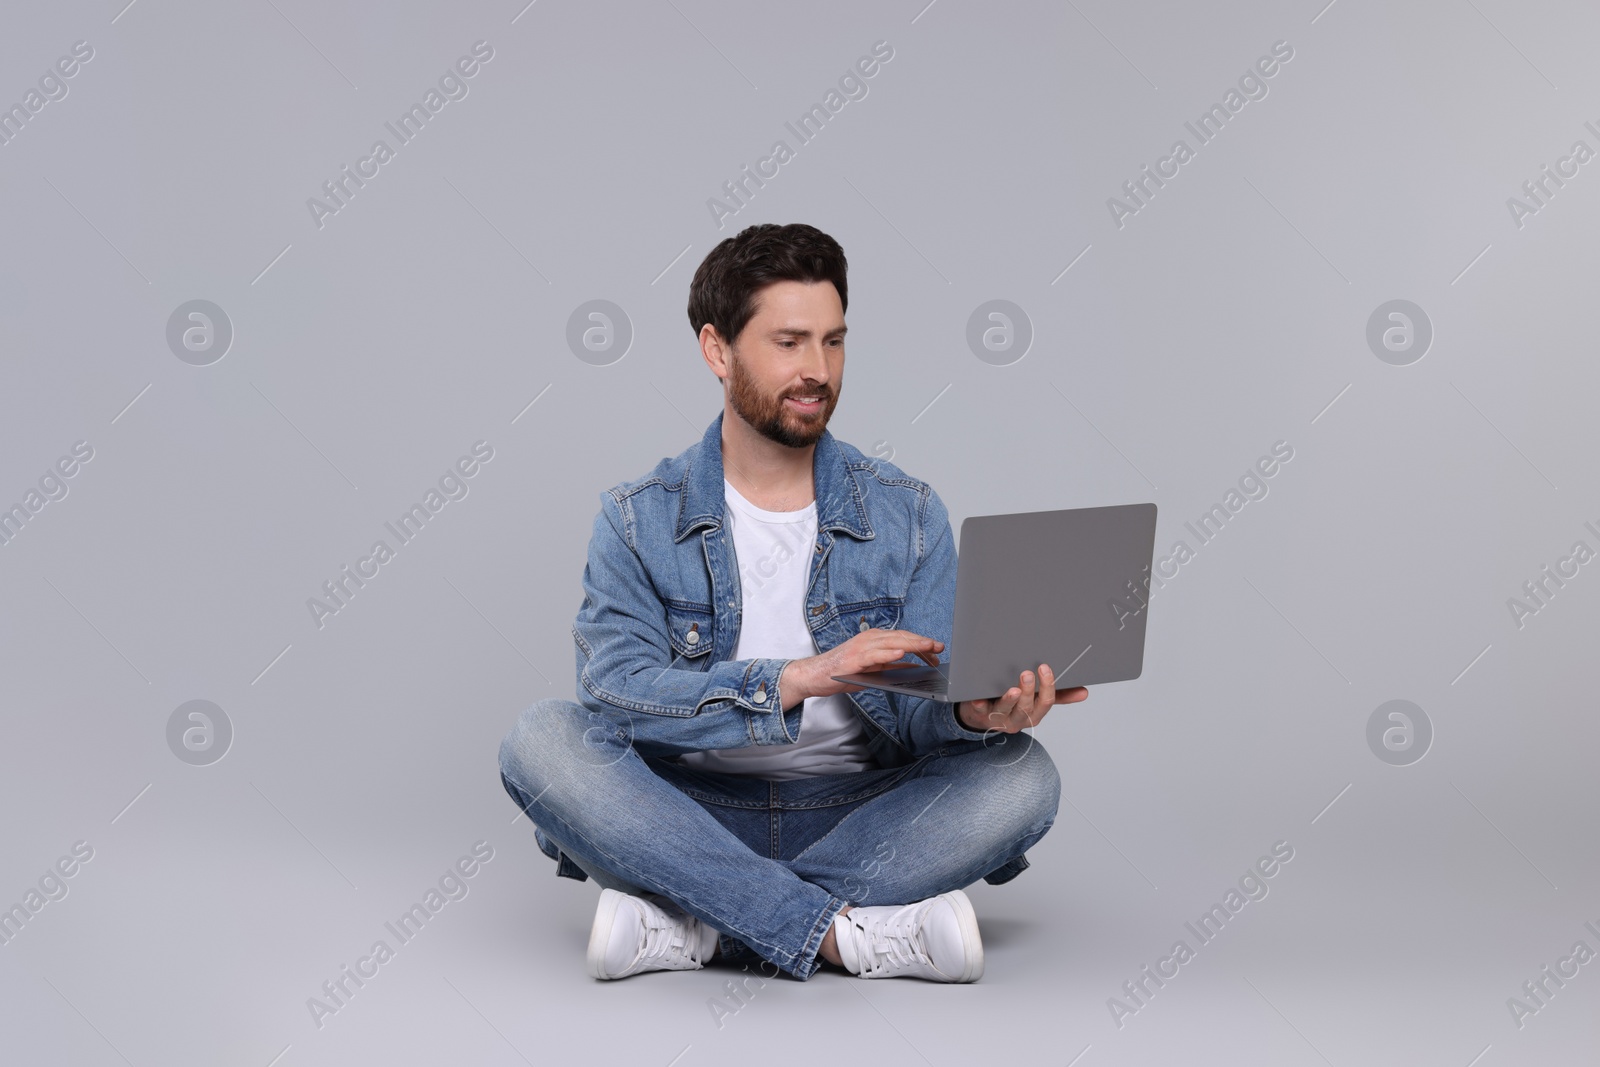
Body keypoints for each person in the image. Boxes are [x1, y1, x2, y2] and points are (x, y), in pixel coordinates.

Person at [498, 222, 1087, 983]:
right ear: (717, 350)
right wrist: (795, 679)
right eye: (789, 342)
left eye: (833, 341)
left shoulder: (906, 513)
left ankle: (700, 925)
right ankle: (847, 935)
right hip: (687, 809)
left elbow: (923, 708)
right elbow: (616, 694)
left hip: (860, 811)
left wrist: (974, 713)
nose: (817, 370)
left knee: (1022, 776)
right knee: (541, 741)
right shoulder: (636, 517)